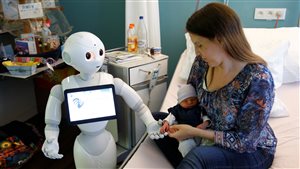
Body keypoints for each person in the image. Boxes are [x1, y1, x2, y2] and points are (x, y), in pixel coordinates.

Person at [158, 2, 277, 169]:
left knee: (198, 156)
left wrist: (194, 132)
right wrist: (171, 121)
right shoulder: (202, 63)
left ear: (221, 40)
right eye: (194, 45)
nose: (197, 52)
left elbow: (246, 142)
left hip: (251, 151)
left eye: (200, 44)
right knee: (157, 119)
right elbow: (190, 102)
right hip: (207, 131)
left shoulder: (258, 79)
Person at [41, 32, 164, 169]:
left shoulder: (110, 81)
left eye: (100, 52)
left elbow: (139, 106)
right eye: (89, 56)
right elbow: (51, 123)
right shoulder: (63, 87)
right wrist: (51, 139)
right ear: (67, 58)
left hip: (106, 143)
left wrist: (150, 122)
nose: (96, 60)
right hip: (83, 146)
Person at [159, 84, 212, 157]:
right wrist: (165, 124)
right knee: (185, 146)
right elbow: (170, 117)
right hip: (184, 136)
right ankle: (191, 159)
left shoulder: (199, 108)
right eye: (185, 100)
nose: (190, 102)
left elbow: (205, 117)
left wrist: (204, 124)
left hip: (199, 133)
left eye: (193, 99)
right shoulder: (177, 109)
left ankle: (202, 155)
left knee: (208, 143)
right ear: (180, 102)